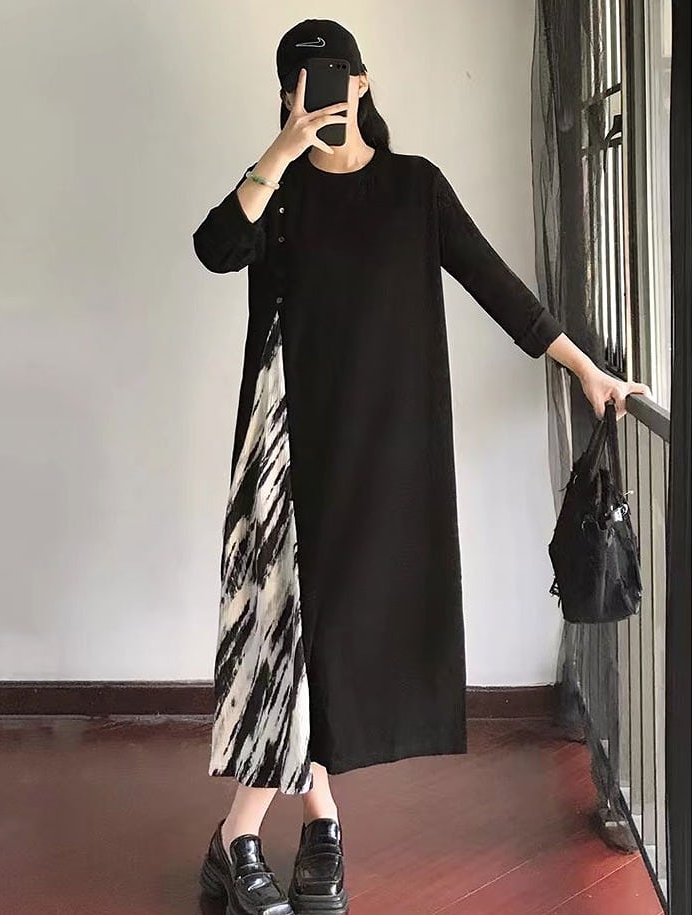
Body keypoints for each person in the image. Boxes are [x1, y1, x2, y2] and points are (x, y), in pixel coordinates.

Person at [192, 18, 652, 915]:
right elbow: (215, 248)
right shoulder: (277, 196)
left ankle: (295, 824)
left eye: (332, 76)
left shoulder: (414, 188)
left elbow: (498, 289)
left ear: (361, 83)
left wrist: (585, 369)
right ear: (284, 95)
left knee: (342, 635)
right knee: (297, 633)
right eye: (300, 83)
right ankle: (257, 832)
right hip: (290, 451)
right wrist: (279, 152)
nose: (320, 94)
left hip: (390, 450)